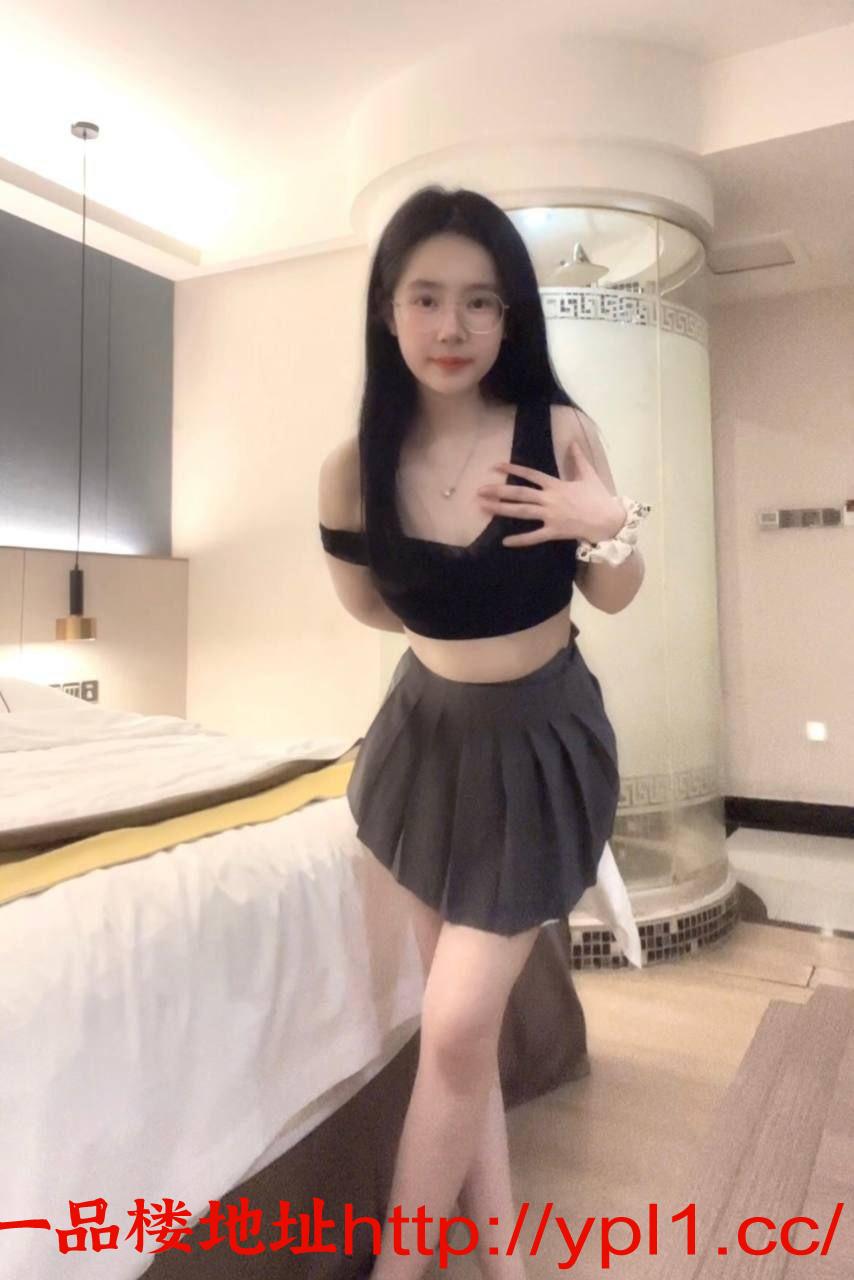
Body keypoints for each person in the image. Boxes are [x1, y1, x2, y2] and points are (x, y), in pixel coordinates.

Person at [317, 185, 648, 1280]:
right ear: (387, 309)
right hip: (425, 741)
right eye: (426, 298)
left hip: (539, 740)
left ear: (510, 317)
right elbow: (370, 610)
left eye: (478, 301)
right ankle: (502, 1261)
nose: (451, 326)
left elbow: (616, 596)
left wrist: (609, 526)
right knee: (460, 1036)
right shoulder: (351, 467)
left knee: (456, 1028)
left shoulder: (558, 433)